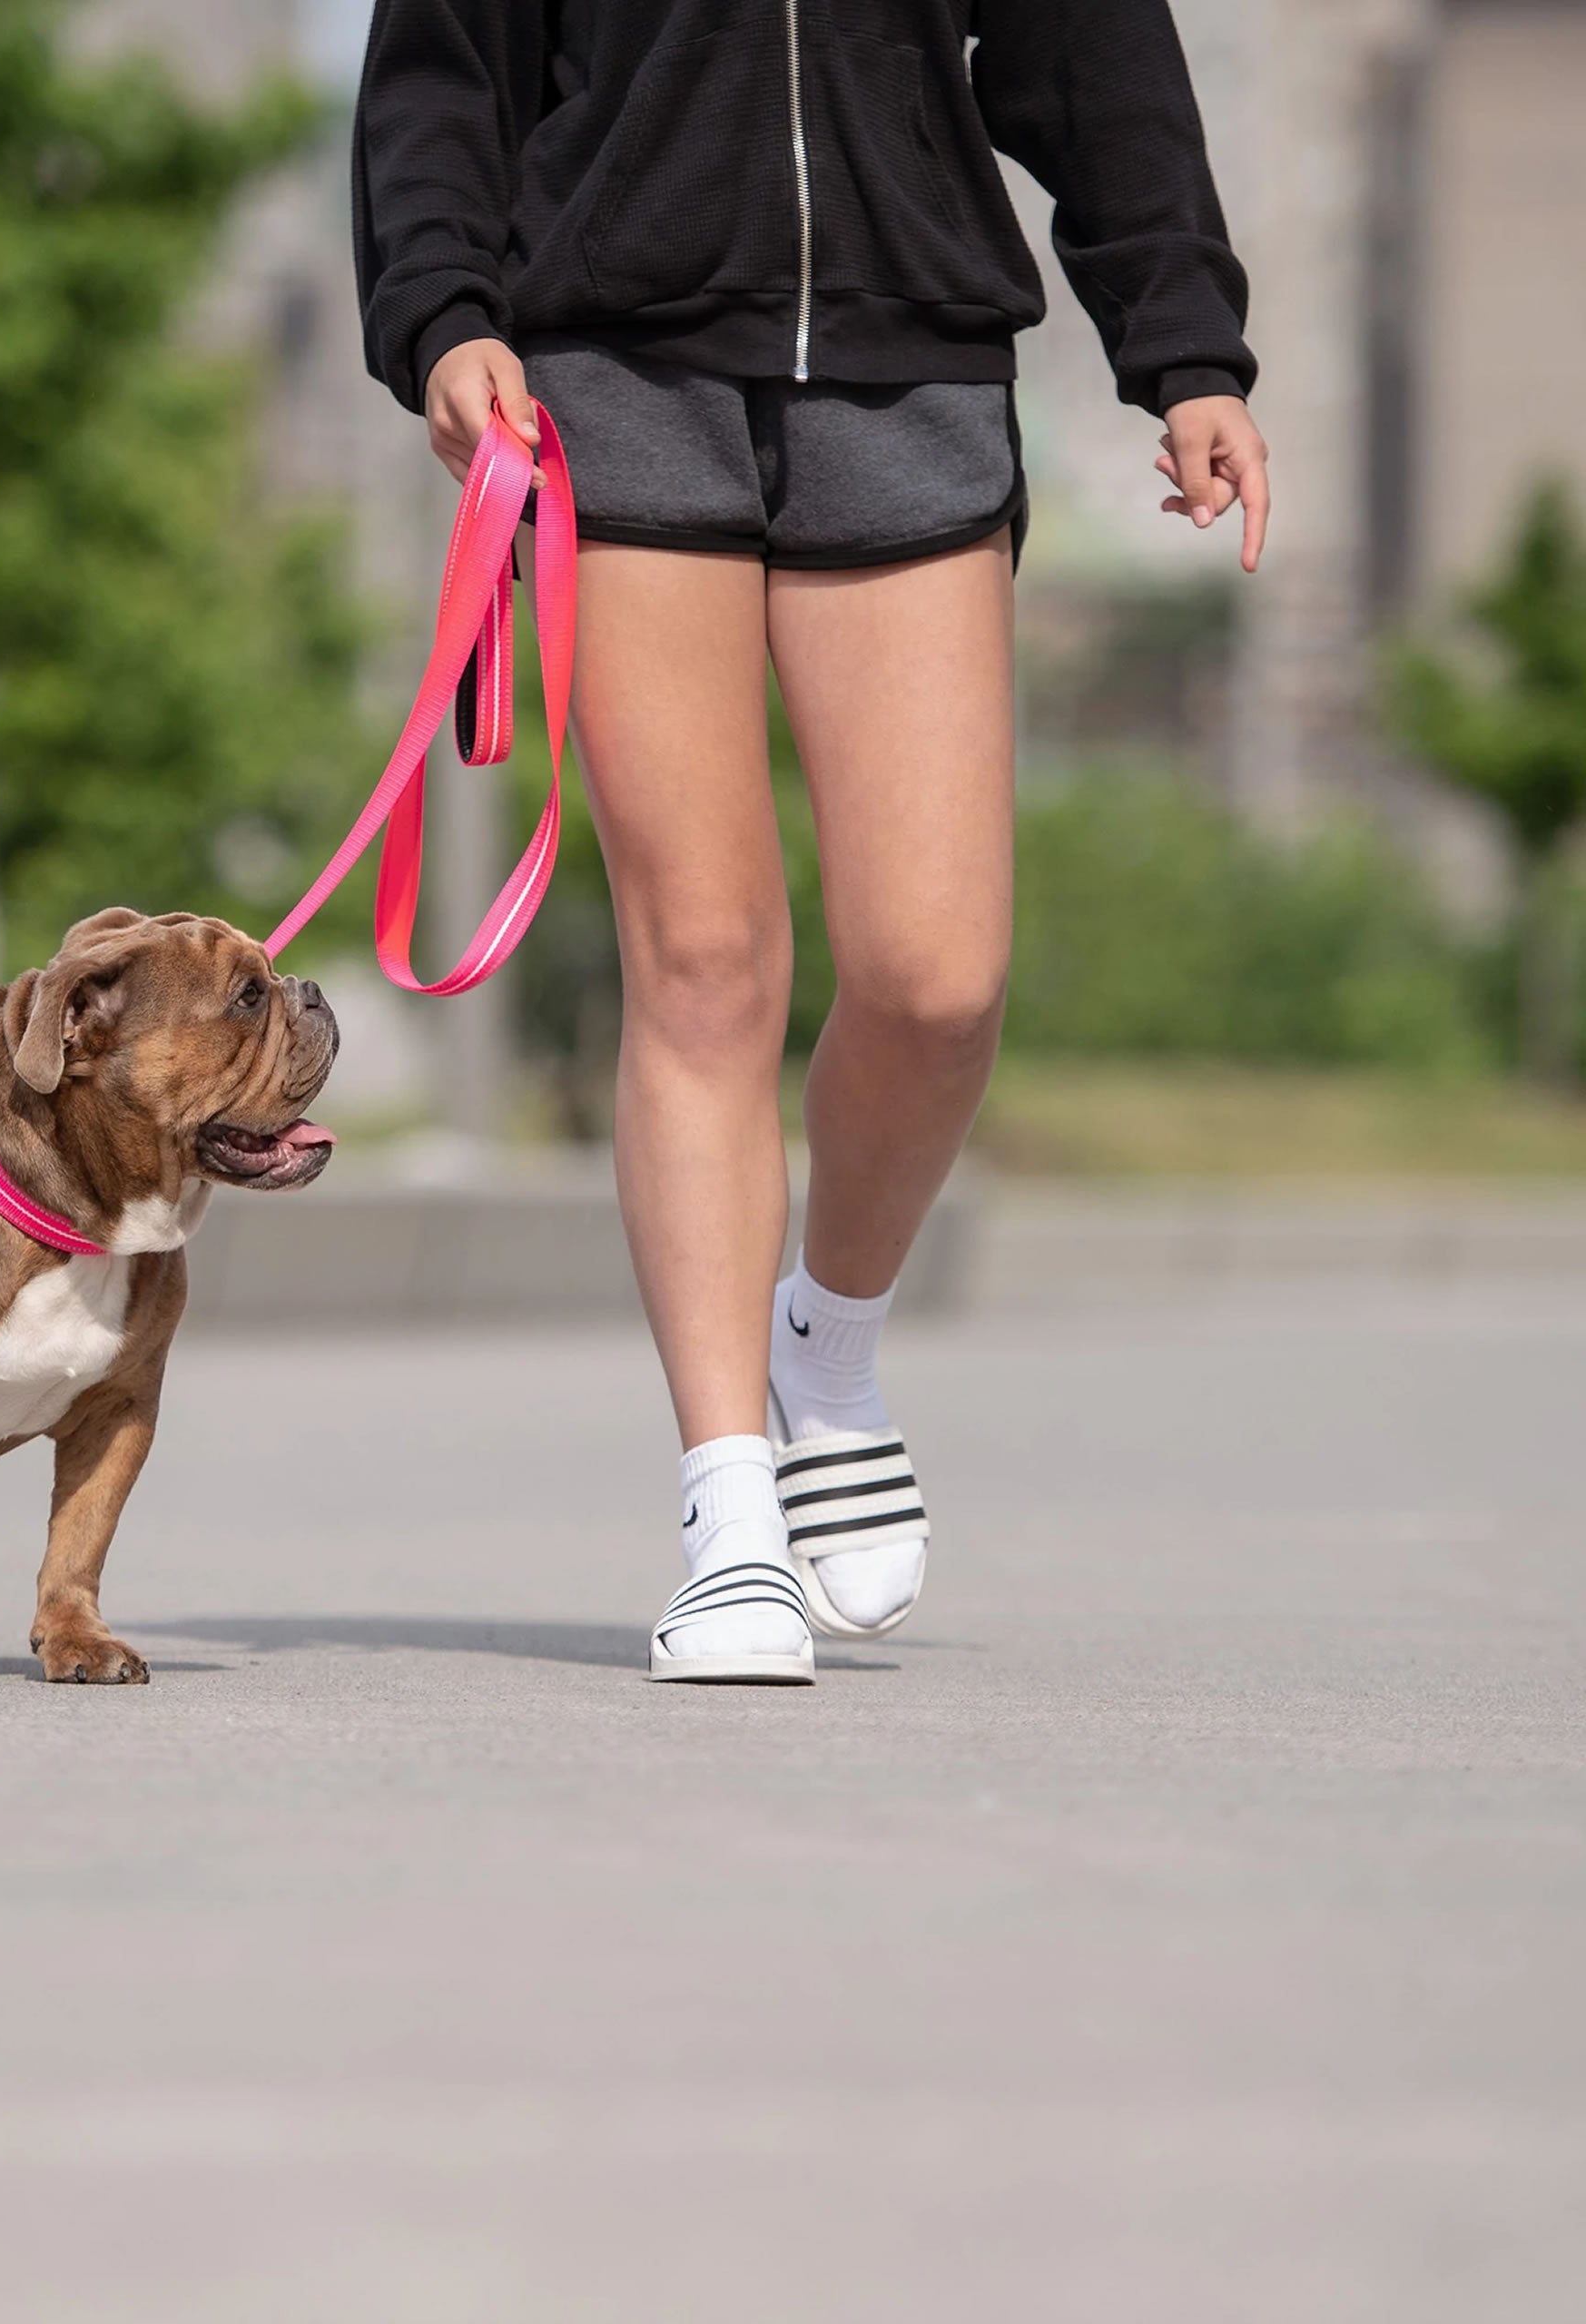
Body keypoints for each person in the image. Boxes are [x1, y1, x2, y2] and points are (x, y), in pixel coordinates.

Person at [352, 3, 1270, 1682]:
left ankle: (826, 1354)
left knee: (937, 978)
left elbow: (1096, 55)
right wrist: (440, 313)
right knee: (702, 962)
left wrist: (1187, 345)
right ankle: (728, 1512)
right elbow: (444, 70)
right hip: (612, 373)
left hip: (908, 361)